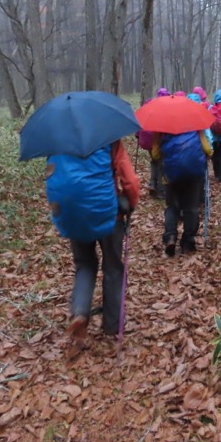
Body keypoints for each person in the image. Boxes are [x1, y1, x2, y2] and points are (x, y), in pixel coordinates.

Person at [57, 140, 140, 341]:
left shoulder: (60, 143)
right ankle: (112, 325)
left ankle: (80, 312)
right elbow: (130, 181)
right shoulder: (109, 140)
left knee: (84, 264)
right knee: (112, 268)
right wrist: (131, 202)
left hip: (75, 214)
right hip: (109, 215)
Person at [151, 126, 212, 256]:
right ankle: (188, 242)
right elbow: (207, 149)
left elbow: (155, 155)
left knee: (172, 207)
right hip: (193, 176)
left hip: (171, 175)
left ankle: (171, 237)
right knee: (191, 208)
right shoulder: (195, 126)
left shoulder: (161, 128)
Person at [137, 87, 170, 198]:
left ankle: (152, 184)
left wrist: (138, 135)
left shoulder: (149, 105)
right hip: (158, 141)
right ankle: (160, 191)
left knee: (154, 162)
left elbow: (141, 119)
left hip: (146, 140)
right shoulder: (165, 108)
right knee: (161, 164)